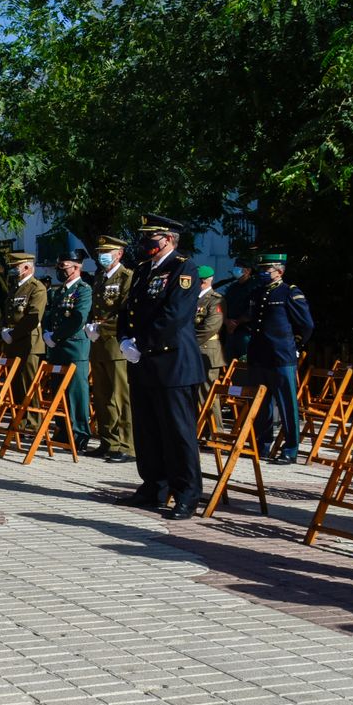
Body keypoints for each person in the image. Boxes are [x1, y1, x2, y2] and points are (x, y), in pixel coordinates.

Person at [117, 214, 206, 520]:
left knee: (177, 433)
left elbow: (174, 315)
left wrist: (141, 343)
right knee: (147, 429)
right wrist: (124, 340)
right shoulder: (143, 270)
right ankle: (153, 486)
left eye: (150, 238)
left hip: (172, 362)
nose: (145, 245)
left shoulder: (184, 267)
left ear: (168, 238)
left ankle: (187, 494)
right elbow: (128, 310)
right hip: (144, 361)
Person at [245, 253, 314, 464]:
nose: (264, 273)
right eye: (262, 270)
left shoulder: (289, 293)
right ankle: (263, 444)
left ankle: (290, 448)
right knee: (263, 402)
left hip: (281, 355)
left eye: (268, 270)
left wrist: (295, 345)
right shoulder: (258, 293)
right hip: (259, 354)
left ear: (280, 272)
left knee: (286, 403)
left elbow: (306, 324)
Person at [89, 236, 135, 463]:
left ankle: (127, 445)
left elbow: (125, 312)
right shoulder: (100, 277)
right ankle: (109, 441)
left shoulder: (127, 277)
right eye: (100, 251)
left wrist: (101, 327)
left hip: (116, 345)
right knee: (102, 396)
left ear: (119, 254)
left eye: (107, 251)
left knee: (121, 396)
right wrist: (91, 326)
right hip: (98, 344)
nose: (102, 255)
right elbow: (96, 308)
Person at [43, 251, 93, 451]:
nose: (59, 270)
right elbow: (48, 313)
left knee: (76, 392)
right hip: (57, 349)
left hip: (73, 347)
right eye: (59, 266)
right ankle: (63, 429)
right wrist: (47, 332)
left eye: (63, 266)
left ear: (76, 267)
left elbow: (78, 318)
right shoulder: (57, 291)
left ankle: (80, 433)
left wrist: (55, 337)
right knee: (58, 391)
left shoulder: (83, 290)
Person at [0, 250, 47, 406]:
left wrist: (13, 333)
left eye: (16, 266)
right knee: (15, 384)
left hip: (28, 340)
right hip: (13, 340)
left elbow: (33, 317)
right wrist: (4, 329)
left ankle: (32, 421)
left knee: (27, 383)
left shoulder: (36, 287)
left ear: (27, 268)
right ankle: (19, 420)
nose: (12, 269)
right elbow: (8, 312)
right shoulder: (15, 288)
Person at [194, 266, 226, 432]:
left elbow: (210, 327)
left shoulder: (215, 299)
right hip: (191, 352)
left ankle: (215, 431)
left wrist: (187, 341)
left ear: (206, 281)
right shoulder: (191, 298)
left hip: (207, 351)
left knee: (209, 393)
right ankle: (196, 429)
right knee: (192, 393)